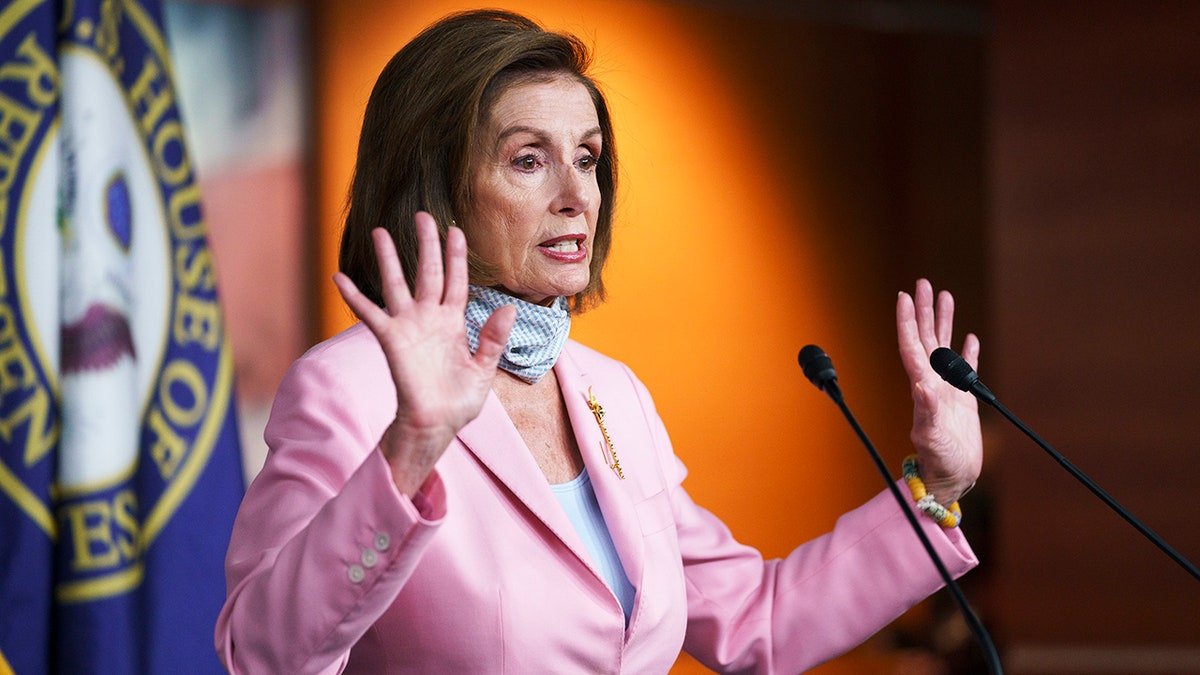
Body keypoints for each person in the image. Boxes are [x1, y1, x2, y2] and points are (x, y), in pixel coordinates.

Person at [214, 9, 983, 674]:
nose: (578, 194)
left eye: (587, 158)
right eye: (528, 159)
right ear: (440, 184)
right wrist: (410, 449)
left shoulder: (609, 391)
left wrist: (936, 490)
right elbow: (263, 655)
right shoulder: (349, 390)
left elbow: (759, 620)